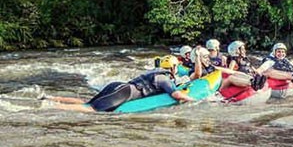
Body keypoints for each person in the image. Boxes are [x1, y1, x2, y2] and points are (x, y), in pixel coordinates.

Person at [45, 56, 194, 112]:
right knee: (91, 109)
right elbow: (176, 94)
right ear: (174, 68)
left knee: (87, 102)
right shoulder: (164, 78)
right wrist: (194, 99)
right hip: (123, 93)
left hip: (118, 86)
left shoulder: (155, 72)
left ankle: (51, 98)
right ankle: (50, 107)